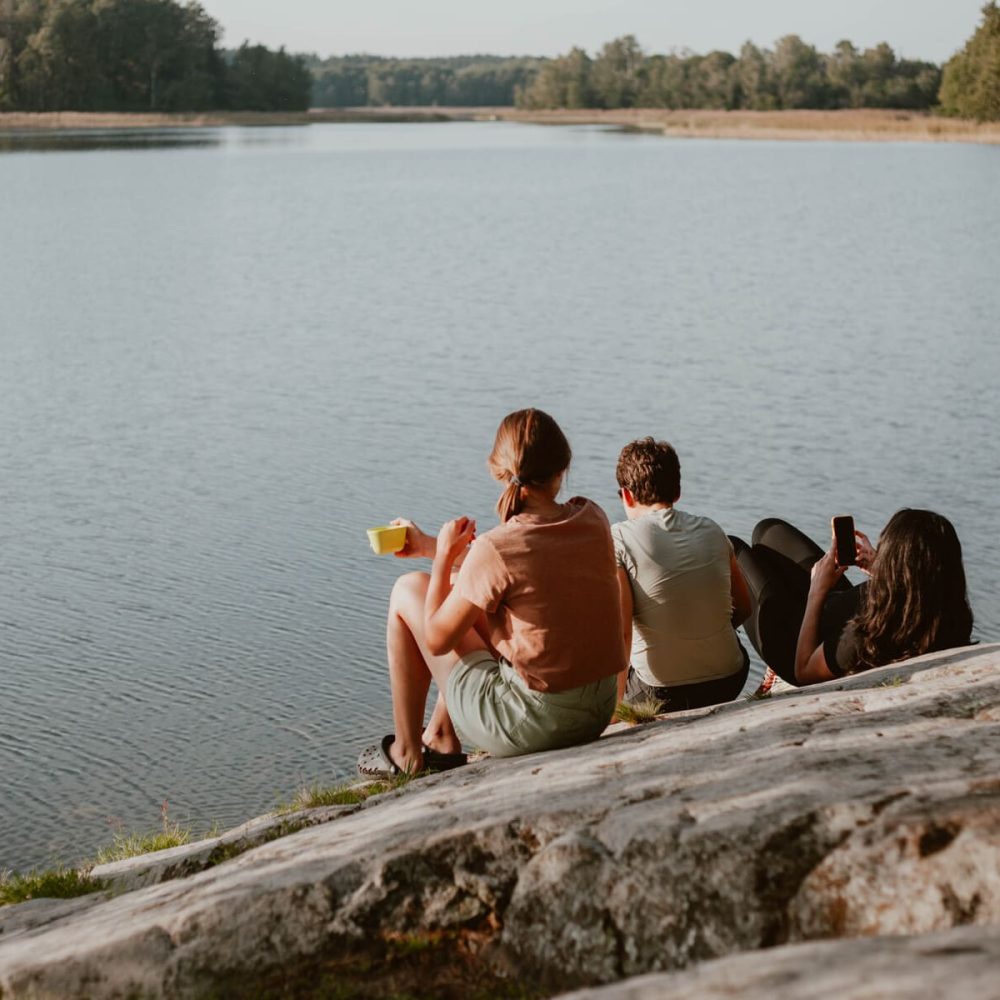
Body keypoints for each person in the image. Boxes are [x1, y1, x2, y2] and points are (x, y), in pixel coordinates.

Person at [357, 408, 626, 777]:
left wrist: (440, 562)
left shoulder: (498, 547)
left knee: (407, 590)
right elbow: (519, 566)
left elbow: (436, 638)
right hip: (596, 709)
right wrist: (428, 546)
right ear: (563, 468)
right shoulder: (592, 517)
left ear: (499, 471)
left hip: (536, 724)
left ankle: (407, 752)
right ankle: (439, 734)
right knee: (473, 602)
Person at [732, 509, 974, 687]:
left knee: (733, 549)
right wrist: (883, 571)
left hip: (799, 645)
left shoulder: (866, 636)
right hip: (835, 613)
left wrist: (817, 591)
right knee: (767, 532)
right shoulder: (949, 610)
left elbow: (804, 671)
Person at [612, 437, 752, 713]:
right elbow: (745, 606)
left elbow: (621, 633)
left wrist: (615, 708)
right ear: (677, 492)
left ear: (626, 495)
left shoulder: (618, 538)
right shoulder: (713, 530)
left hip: (659, 692)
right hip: (730, 679)